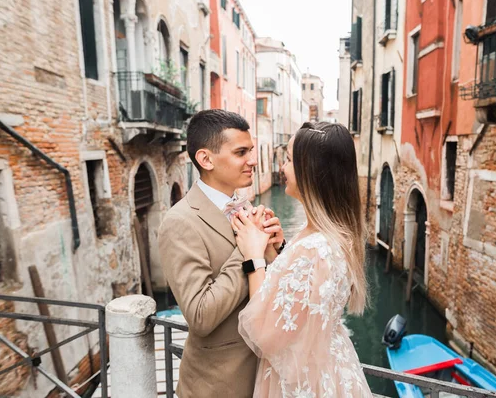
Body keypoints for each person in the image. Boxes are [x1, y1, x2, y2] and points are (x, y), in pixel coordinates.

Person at [232, 122, 372, 397]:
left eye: (288, 160)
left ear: (311, 171)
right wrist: (280, 252)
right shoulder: (333, 234)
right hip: (328, 365)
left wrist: (253, 257)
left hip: (301, 379)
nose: (282, 168)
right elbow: (305, 301)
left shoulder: (314, 248)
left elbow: (265, 334)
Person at [158, 109, 284, 398]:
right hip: (218, 386)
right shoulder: (180, 222)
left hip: (267, 377)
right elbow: (200, 316)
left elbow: (269, 292)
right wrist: (248, 251)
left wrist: (275, 249)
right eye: (241, 152)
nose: (253, 160)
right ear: (206, 159)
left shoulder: (244, 204)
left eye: (251, 151)